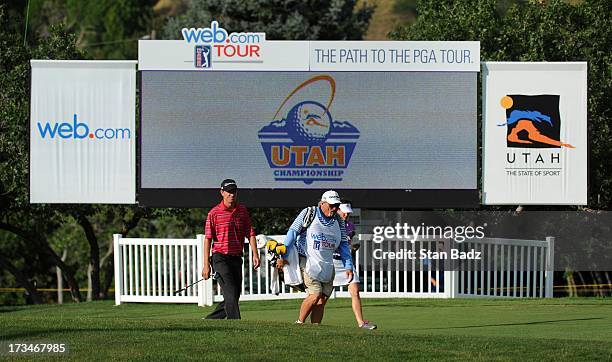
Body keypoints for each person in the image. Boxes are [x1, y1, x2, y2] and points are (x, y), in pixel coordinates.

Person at [278, 190, 353, 325]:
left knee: (323, 298)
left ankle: (315, 328)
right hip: (307, 260)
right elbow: (293, 233)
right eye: (331, 205)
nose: (335, 208)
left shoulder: (339, 221)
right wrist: (283, 254)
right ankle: (299, 323)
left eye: (337, 205)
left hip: (327, 263)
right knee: (315, 294)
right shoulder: (309, 213)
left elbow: (343, 244)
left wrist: (348, 265)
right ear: (323, 203)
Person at [202, 179, 260, 319]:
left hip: (236, 257)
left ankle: (210, 319)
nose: (231, 194)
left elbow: (250, 233)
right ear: (222, 192)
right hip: (220, 257)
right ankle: (236, 323)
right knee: (230, 292)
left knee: (233, 295)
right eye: (228, 191)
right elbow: (208, 239)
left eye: (234, 191)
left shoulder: (242, 210)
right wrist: (206, 265)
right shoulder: (214, 213)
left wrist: (255, 254)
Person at [334, 202, 377, 330]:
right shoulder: (330, 224)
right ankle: (312, 323)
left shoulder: (350, 226)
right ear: (337, 210)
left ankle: (361, 322)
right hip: (331, 261)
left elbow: (352, 243)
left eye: (348, 212)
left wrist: (353, 246)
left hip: (346, 262)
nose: (346, 214)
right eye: (343, 211)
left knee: (355, 291)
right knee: (321, 297)